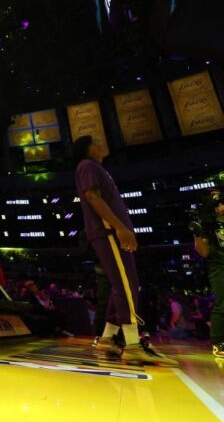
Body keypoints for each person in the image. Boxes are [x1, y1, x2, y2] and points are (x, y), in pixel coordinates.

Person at [73, 135, 160, 363]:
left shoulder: (95, 167)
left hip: (109, 232)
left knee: (119, 286)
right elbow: (92, 196)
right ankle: (132, 344)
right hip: (108, 232)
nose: (104, 142)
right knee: (126, 284)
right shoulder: (87, 165)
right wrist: (119, 227)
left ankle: (108, 338)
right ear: (90, 148)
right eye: (98, 141)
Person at [191, 186, 224, 357]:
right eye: (216, 204)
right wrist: (197, 233)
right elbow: (203, 252)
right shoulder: (207, 224)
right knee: (223, 302)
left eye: (221, 202)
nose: (220, 207)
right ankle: (218, 343)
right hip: (220, 266)